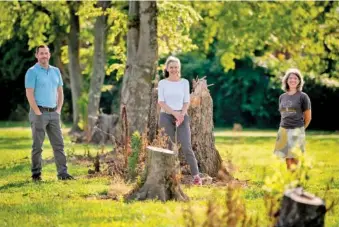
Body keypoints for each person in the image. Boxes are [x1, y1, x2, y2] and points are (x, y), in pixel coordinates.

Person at [25, 45, 74, 181]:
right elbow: (29, 93)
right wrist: (37, 112)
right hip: (39, 112)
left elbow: (60, 92)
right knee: (37, 146)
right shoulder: (32, 71)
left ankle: (63, 173)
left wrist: (58, 110)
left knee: (59, 145)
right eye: (41, 53)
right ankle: (36, 174)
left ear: (49, 55)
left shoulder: (56, 71)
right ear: (36, 55)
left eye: (46, 53)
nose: (44, 56)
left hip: (54, 113)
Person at [157, 56, 202, 185]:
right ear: (166, 68)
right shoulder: (162, 83)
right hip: (166, 116)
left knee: (187, 146)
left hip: (182, 116)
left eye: (176, 67)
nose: (174, 69)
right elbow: (161, 102)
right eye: (171, 67)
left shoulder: (184, 82)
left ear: (179, 68)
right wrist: (175, 114)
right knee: (168, 147)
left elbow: (186, 101)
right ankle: (169, 176)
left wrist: (181, 115)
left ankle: (196, 176)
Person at [274, 68, 312, 170]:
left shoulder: (303, 96)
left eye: (295, 78)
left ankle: (296, 181)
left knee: (295, 156)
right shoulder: (282, 97)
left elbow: (308, 116)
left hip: (296, 129)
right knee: (286, 157)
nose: (293, 80)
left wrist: (301, 129)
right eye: (290, 78)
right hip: (283, 129)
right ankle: (290, 180)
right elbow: (283, 114)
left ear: (299, 81)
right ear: (286, 80)